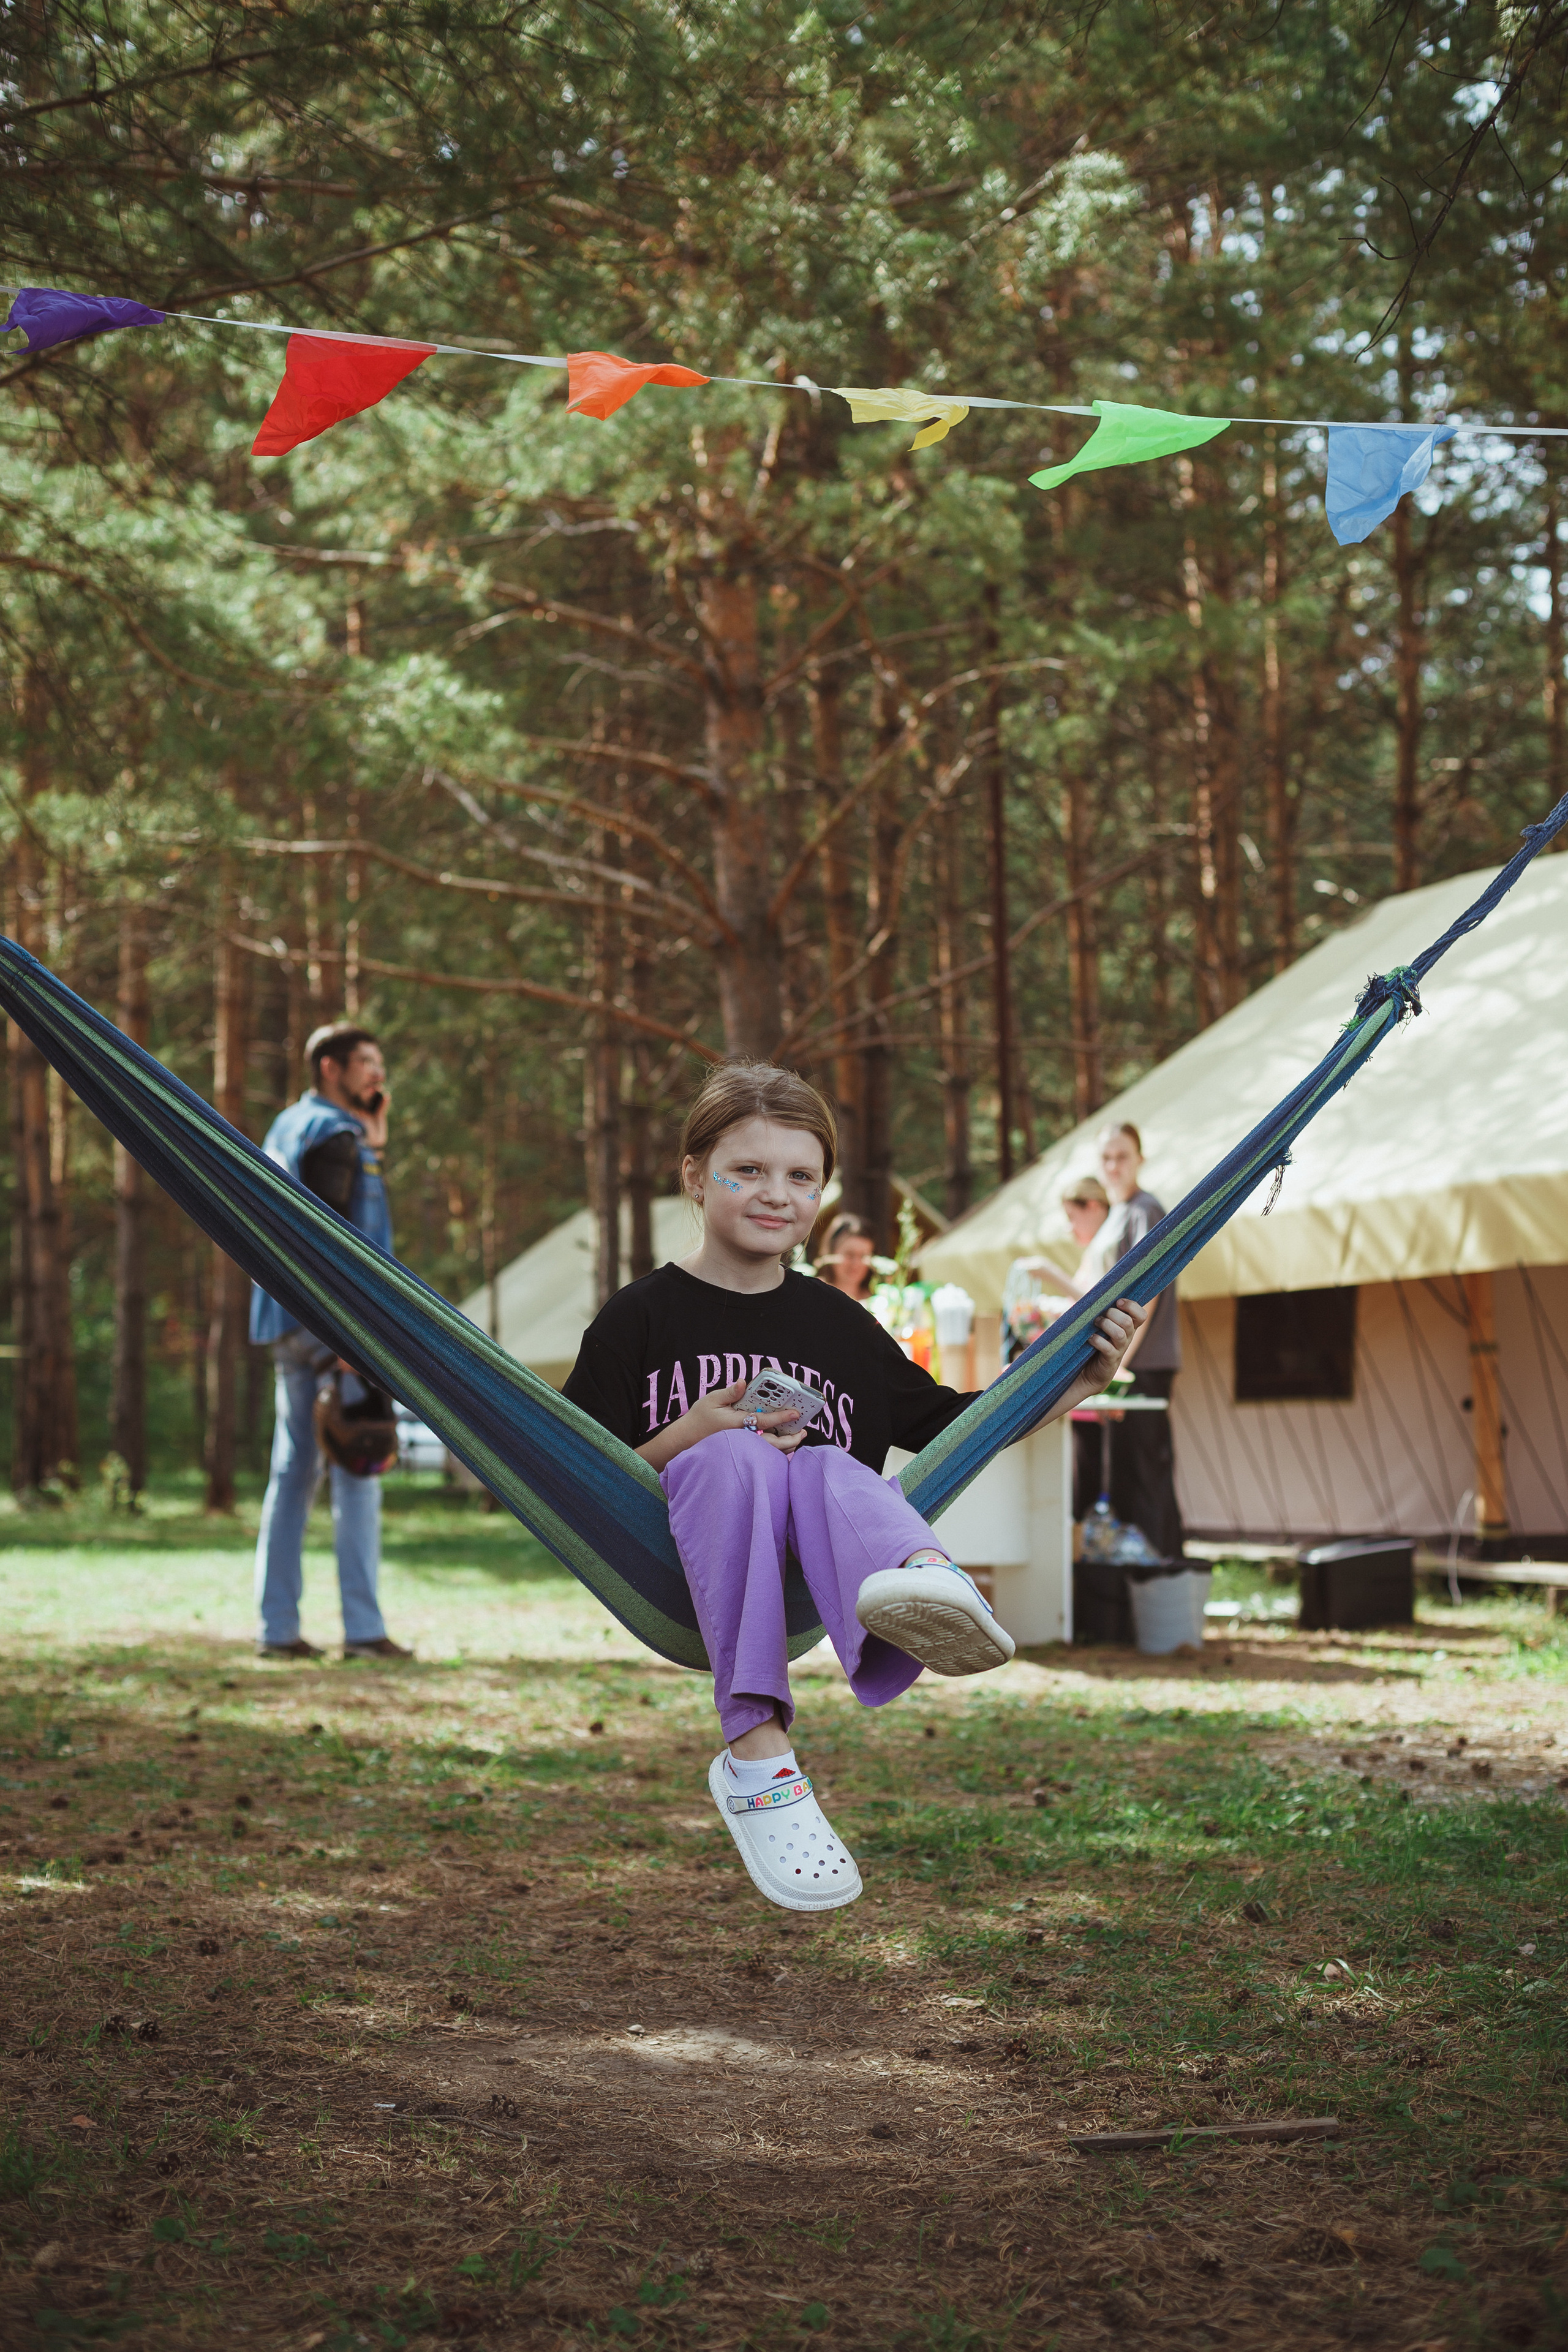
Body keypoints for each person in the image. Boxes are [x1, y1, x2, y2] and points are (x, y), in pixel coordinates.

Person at [563, 1061, 1144, 1912]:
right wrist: (693, 1433)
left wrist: (1081, 1379)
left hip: (808, 1566)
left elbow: (954, 1425)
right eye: (748, 1170)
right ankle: (757, 1749)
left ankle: (926, 1575)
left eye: (802, 1176)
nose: (777, 1195)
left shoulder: (838, 1324)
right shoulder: (640, 1318)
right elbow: (580, 1470)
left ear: (823, 1192)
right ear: (695, 1175)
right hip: (683, 1554)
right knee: (738, 1456)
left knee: (828, 1461)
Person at [249, 1021, 412, 1663]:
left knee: (291, 1473)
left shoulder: (290, 1128)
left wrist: (375, 1140)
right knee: (361, 1463)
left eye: (379, 1061)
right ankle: (365, 1630)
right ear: (330, 1070)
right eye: (364, 1064)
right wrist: (348, 1334)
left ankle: (276, 1630)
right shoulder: (336, 1136)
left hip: (283, 1322)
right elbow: (325, 1238)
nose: (377, 1074)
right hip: (333, 1327)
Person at [1036, 1123, 1184, 1559]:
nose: (1114, 1166)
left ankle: (1164, 1576)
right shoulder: (1116, 1215)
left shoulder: (1145, 1209)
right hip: (1118, 1363)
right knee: (1122, 1478)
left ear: (1140, 1158)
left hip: (1142, 1362)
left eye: (1122, 1156)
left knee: (1146, 1474)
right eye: (1106, 1158)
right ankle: (1128, 1590)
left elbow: (1148, 1292)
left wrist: (1122, 1367)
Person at [813, 1211, 876, 1303]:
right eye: (850, 1255)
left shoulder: (880, 1298)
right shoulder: (815, 1292)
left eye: (863, 1256)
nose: (856, 1263)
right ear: (831, 1253)